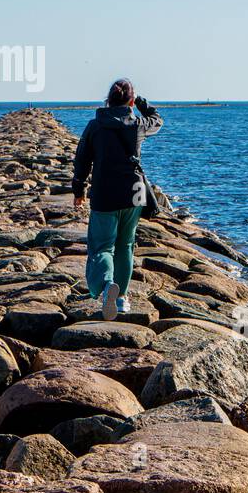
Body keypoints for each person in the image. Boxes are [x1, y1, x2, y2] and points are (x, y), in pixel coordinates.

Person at [71, 79, 163, 321]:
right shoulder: (138, 124)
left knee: (102, 246)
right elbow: (158, 121)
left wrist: (78, 189)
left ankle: (106, 285)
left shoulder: (95, 126)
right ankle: (120, 298)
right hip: (134, 191)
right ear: (130, 101)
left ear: (107, 100)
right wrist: (143, 103)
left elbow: (82, 160)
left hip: (104, 192)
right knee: (125, 245)